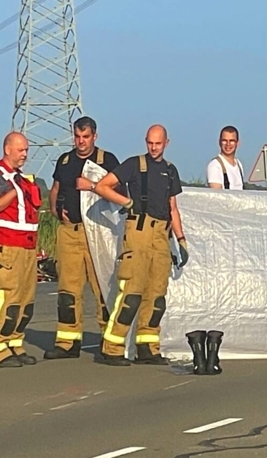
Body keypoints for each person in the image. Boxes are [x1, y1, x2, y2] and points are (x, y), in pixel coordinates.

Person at [93, 125, 187, 366]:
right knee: (131, 293)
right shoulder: (134, 165)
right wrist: (127, 201)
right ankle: (111, 347)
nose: (153, 148)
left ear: (167, 143)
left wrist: (181, 240)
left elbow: (172, 207)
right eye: (150, 143)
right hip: (139, 232)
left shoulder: (170, 170)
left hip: (161, 236)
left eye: (158, 143)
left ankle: (147, 347)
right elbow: (102, 186)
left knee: (156, 296)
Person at [45, 116, 121, 360]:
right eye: (77, 137)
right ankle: (67, 342)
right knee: (68, 288)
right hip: (70, 232)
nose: (81, 142)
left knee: (103, 288)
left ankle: (110, 341)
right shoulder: (65, 161)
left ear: (95, 136)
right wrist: (57, 211)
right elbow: (55, 190)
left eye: (85, 137)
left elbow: (120, 193)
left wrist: (92, 185)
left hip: (98, 233)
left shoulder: (106, 160)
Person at [0, 132, 42, 368]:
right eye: (20, 150)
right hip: (7, 247)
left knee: (25, 301)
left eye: (26, 149)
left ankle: (14, 342)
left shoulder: (21, 178)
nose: (25, 154)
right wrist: (14, 191)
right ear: (7, 149)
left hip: (26, 246)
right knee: (7, 297)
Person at [206, 125, 245, 190]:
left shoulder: (239, 164)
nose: (228, 144)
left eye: (232, 141)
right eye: (224, 141)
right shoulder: (215, 165)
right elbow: (217, 196)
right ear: (219, 142)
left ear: (238, 143)